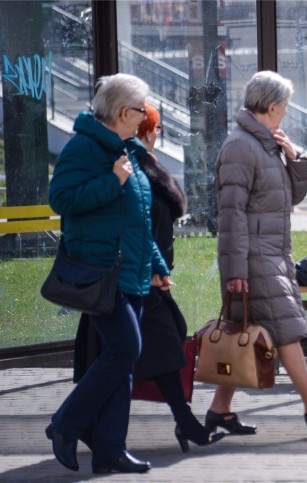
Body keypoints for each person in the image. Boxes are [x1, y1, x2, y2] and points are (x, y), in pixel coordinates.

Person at [208, 71, 307, 437]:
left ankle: (219, 411)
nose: (286, 113)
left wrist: (295, 158)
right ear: (272, 106)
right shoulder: (240, 147)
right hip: (255, 259)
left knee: (251, 332)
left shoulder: (266, 144)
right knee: (286, 330)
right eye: (285, 107)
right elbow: (231, 216)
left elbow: (289, 199)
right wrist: (235, 270)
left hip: (270, 256)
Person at [46, 74, 169, 474]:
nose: (145, 117)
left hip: (129, 271)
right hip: (101, 272)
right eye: (142, 110)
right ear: (122, 112)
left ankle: (110, 450)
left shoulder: (127, 150)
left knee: (123, 361)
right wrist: (111, 181)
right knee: (124, 350)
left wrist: (156, 266)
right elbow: (62, 199)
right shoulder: (85, 148)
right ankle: (66, 424)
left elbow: (139, 219)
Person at [129, 103, 226, 451]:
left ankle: (182, 422)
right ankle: (184, 422)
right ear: (148, 132)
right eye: (157, 129)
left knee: (149, 348)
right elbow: (140, 228)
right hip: (139, 277)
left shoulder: (141, 166)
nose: (158, 136)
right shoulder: (134, 167)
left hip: (147, 275)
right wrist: (155, 268)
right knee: (160, 346)